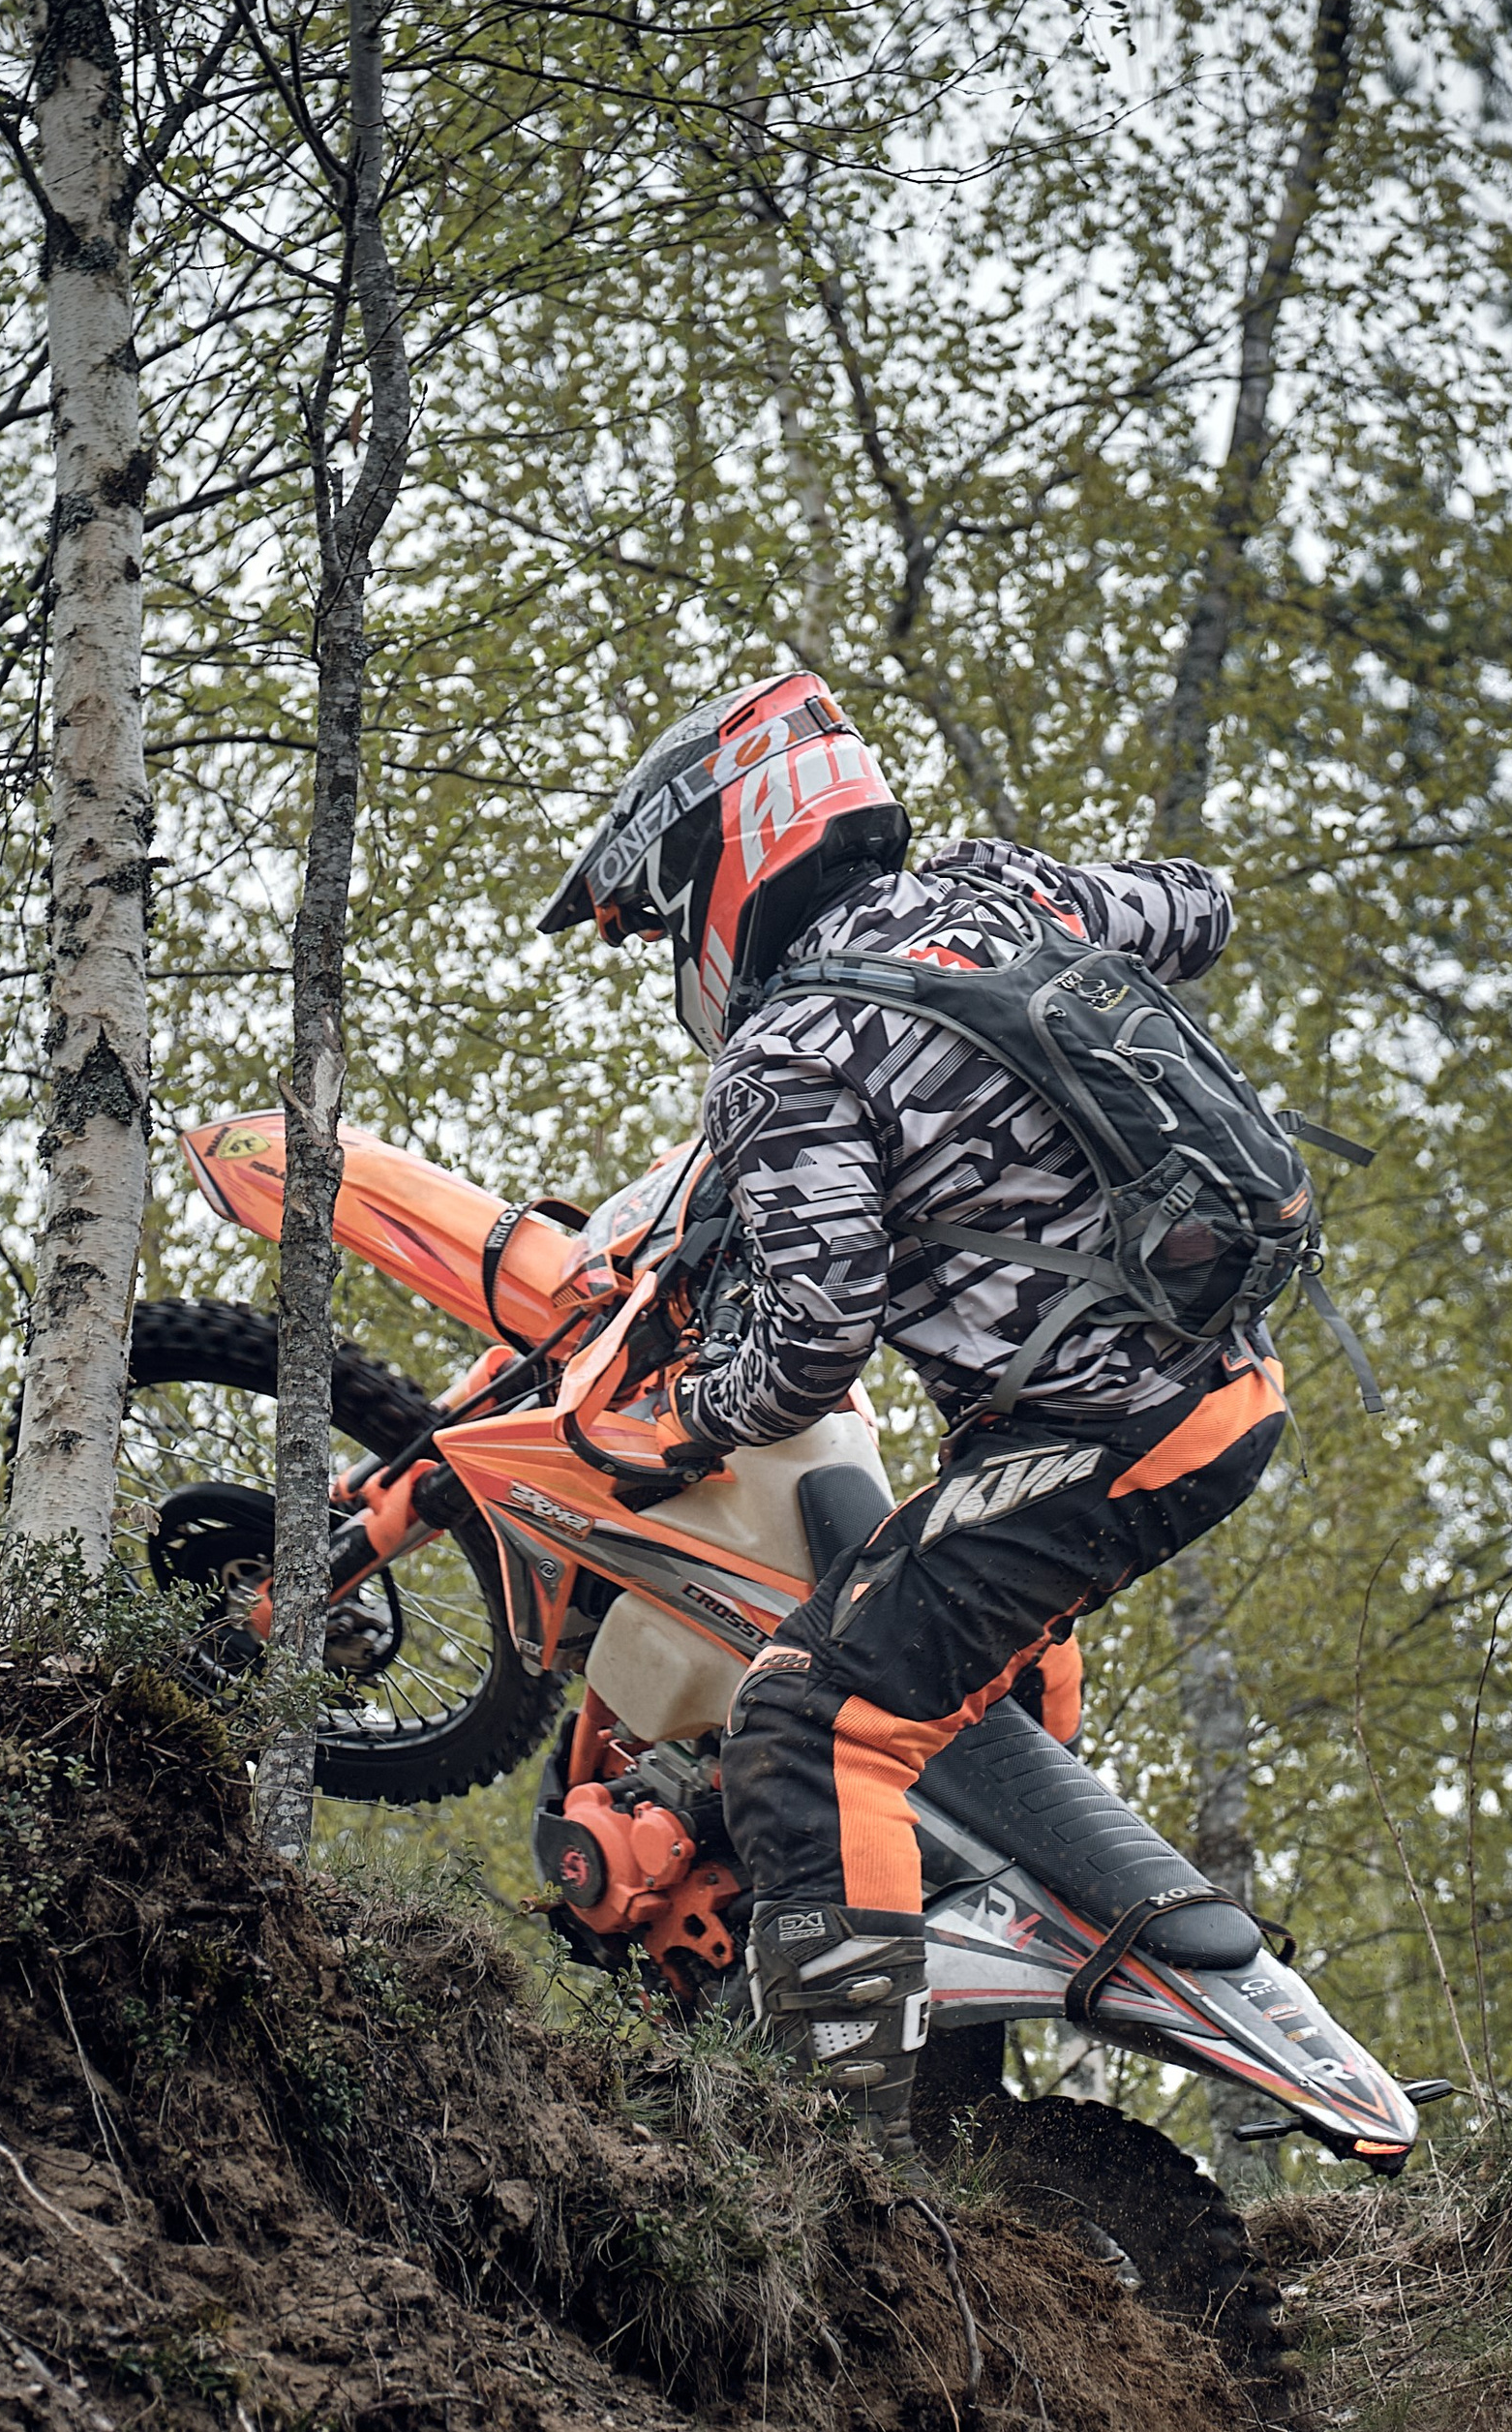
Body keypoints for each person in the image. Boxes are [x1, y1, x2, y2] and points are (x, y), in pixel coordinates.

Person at [537, 668, 1286, 2168]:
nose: (681, 950)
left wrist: (688, 1416)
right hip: (1224, 1387)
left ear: (729, 854)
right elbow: (1197, 908)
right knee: (921, 1652)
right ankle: (958, 2021)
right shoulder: (1000, 895)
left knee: (812, 1723)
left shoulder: (789, 1049)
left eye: (671, 911)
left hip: (1093, 1443)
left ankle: (844, 2154)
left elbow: (811, 1345)